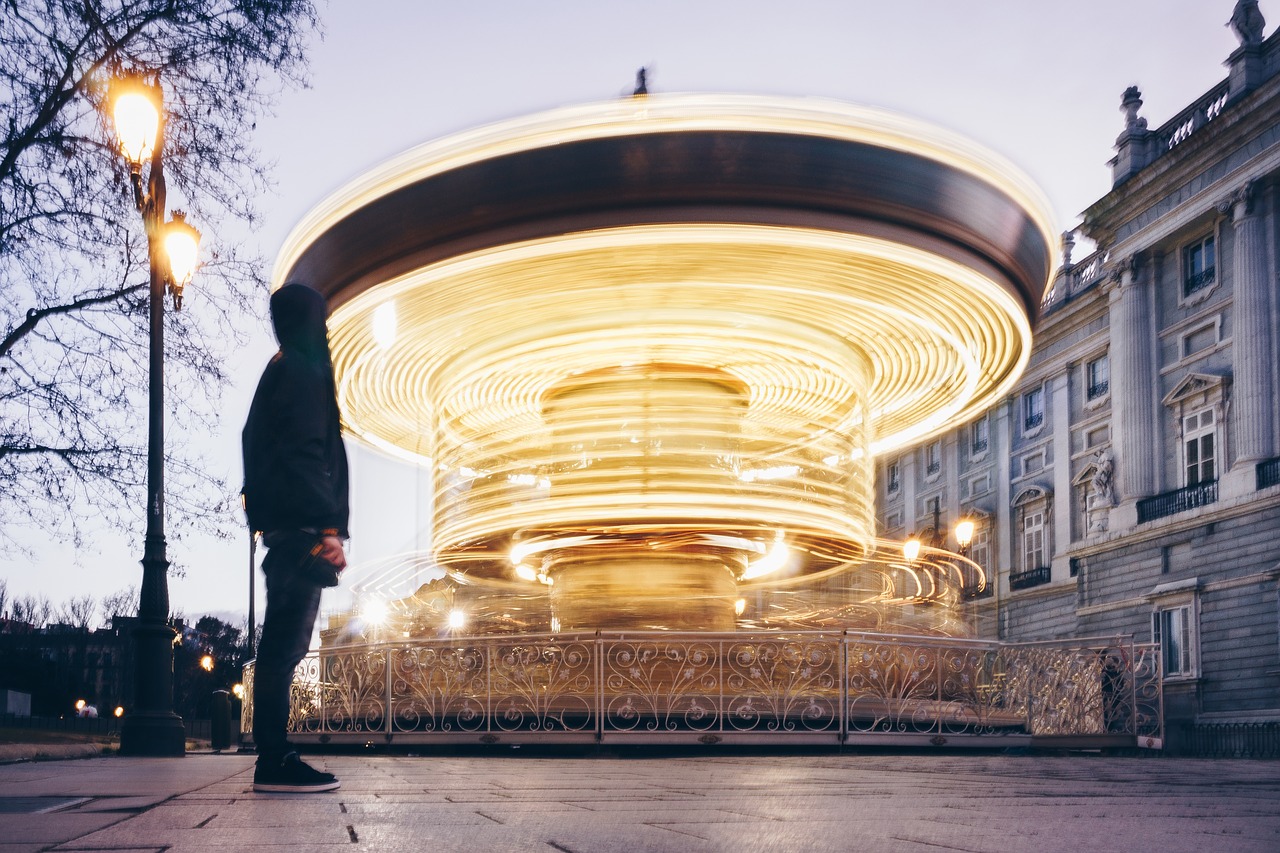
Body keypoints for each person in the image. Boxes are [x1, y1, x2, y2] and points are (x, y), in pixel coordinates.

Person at [242, 283, 349, 793]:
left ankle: (274, 755)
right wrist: (327, 527)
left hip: (285, 525)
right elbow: (310, 452)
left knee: (280, 648)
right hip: (301, 529)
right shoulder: (304, 372)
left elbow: (255, 442)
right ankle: (275, 760)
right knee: (285, 649)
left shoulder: (278, 368)